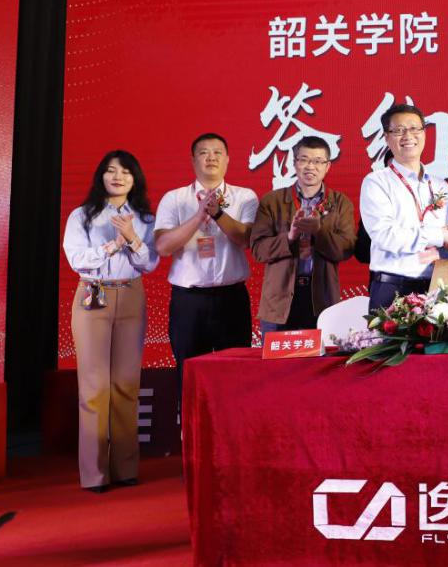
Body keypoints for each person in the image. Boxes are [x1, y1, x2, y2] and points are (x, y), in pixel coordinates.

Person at [62, 150, 158, 492]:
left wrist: (132, 238)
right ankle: (94, 474)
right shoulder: (82, 216)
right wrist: (112, 246)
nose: (118, 177)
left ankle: (126, 468)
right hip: (93, 293)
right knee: (94, 386)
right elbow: (77, 259)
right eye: (111, 171)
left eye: (126, 172)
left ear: (135, 179)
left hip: (131, 294)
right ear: (100, 176)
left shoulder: (145, 218)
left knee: (126, 383)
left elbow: (150, 263)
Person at [155, 133, 258, 397]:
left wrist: (218, 213)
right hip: (189, 302)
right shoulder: (174, 198)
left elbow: (246, 239)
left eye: (217, 153)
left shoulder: (245, 197)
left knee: (235, 375)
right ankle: (190, 424)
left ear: (227, 160)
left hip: (231, 299)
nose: (211, 158)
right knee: (189, 375)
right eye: (203, 153)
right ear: (193, 160)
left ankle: (233, 424)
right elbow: (163, 246)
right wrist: (198, 216)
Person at [360, 104, 448, 312]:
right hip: (393, 289)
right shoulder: (376, 182)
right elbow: (385, 236)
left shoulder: (440, 185)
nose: (408, 136)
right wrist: (439, 235)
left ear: (424, 133)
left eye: (415, 128)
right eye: (399, 130)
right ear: (387, 138)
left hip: (437, 288)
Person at [251, 136, 356, 336]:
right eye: (304, 160)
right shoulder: (272, 201)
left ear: (327, 166)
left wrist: (319, 232)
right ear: (294, 163)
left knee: (320, 354)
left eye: (318, 161)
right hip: (279, 299)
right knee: (277, 355)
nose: (310, 167)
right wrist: (290, 237)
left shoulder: (340, 202)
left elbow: (346, 249)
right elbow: (258, 250)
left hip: (322, 297)